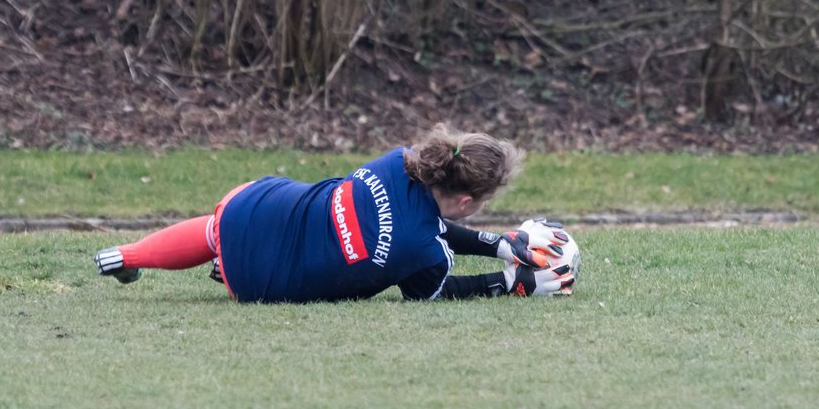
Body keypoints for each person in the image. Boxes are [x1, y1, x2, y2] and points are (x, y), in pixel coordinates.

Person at [93, 123, 575, 303]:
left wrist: (496, 242)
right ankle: (226, 265)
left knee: (221, 224)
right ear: (468, 202)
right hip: (258, 284)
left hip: (250, 207)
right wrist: (509, 282)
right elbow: (437, 286)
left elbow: (426, 223)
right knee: (272, 254)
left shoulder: (397, 160)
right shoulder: (424, 252)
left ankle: (128, 255)